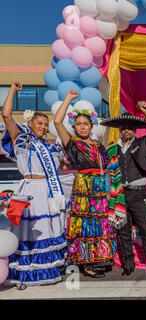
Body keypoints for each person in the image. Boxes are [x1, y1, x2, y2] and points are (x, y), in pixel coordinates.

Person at [1, 81, 67, 286]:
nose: (44, 127)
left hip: (48, 191)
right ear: (30, 124)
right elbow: (6, 115)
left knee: (49, 228)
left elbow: (59, 125)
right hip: (29, 190)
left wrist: (67, 100)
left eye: (46, 125)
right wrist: (12, 90)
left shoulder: (52, 147)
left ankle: (49, 268)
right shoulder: (21, 141)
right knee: (28, 230)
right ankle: (27, 269)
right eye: (40, 123)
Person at [54, 89, 116, 278]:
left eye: (85, 124)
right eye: (78, 124)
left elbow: (106, 167)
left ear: (91, 126)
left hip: (99, 187)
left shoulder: (98, 145)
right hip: (84, 187)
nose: (82, 127)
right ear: (74, 127)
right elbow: (57, 122)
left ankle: (100, 258)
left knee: (100, 224)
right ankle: (87, 262)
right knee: (86, 224)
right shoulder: (72, 143)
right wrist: (68, 99)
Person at [101, 105, 146, 276]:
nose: (126, 130)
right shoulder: (113, 149)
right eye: (124, 127)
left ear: (134, 129)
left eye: (129, 127)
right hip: (120, 194)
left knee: (145, 230)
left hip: (138, 193)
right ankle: (128, 264)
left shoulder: (143, 142)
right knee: (123, 230)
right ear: (120, 130)